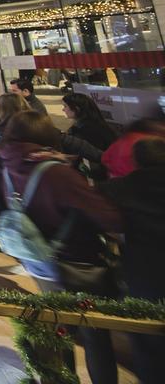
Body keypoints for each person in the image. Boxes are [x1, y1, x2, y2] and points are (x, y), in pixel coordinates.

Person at [0, 110, 121, 384]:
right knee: (95, 334)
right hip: (77, 264)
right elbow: (108, 218)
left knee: (62, 327)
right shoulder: (56, 172)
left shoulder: (9, 167)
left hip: (39, 263)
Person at [99, 138, 165, 380]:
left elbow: (99, 202)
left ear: (136, 161)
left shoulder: (122, 187)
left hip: (144, 272)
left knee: (146, 336)